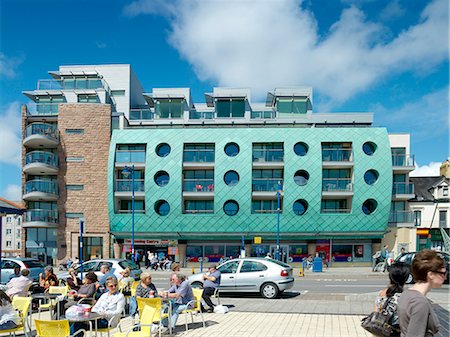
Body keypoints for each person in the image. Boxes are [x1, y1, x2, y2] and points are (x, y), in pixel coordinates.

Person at [398, 250, 445, 337]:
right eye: (442, 273)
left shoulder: (406, 294)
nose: (445, 277)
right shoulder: (419, 302)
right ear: (430, 274)